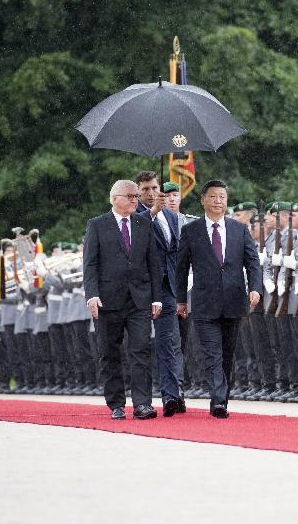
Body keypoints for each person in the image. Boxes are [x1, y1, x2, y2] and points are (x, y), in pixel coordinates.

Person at [176, 179, 263, 418]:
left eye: (222, 197)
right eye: (213, 197)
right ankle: (218, 400)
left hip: (234, 300)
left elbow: (252, 262)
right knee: (212, 352)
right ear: (203, 200)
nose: (218, 201)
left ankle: (221, 396)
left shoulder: (238, 229)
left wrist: (255, 287)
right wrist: (180, 299)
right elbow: (181, 267)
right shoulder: (190, 231)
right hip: (204, 302)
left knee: (227, 352)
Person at [83, 179, 163, 420]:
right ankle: (116, 404)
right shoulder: (97, 225)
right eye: (129, 195)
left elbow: (153, 264)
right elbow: (90, 264)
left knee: (141, 350)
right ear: (114, 198)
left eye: (135, 196)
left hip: (139, 300)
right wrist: (92, 295)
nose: (134, 200)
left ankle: (142, 404)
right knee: (109, 353)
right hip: (107, 300)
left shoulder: (144, 223)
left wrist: (156, 298)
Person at [134, 170, 186, 416]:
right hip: (141, 289)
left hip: (167, 288)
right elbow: (135, 239)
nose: (151, 193)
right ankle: (142, 400)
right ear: (137, 191)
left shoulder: (171, 217)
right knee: (140, 344)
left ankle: (172, 396)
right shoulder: (133, 215)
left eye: (154, 188)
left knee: (169, 343)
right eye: (145, 189)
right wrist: (151, 213)